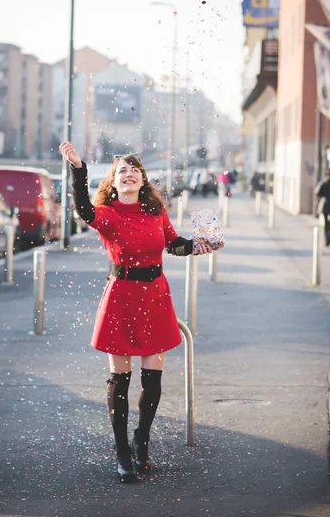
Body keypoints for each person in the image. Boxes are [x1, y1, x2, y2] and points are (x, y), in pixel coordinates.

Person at [59, 142, 224, 484]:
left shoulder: (155, 212)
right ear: (114, 182)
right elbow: (83, 210)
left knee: (153, 377)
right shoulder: (107, 214)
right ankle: (122, 453)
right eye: (123, 170)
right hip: (121, 296)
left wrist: (200, 245)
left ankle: (141, 440)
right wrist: (78, 169)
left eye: (135, 169)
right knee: (121, 379)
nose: (130, 173)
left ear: (143, 179)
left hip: (155, 296)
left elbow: (174, 244)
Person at [315, 168, 330, 246]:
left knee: (326, 222)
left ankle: (327, 239)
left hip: (325, 204)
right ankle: (329, 238)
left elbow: (317, 193)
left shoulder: (324, 183)